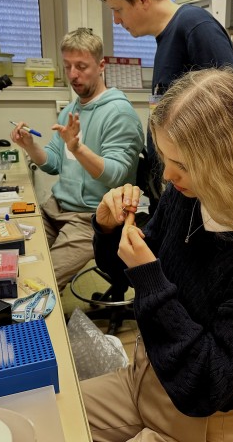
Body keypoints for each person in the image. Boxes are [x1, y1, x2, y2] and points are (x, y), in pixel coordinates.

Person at [80, 67, 233, 441]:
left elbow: (207, 382)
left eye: (183, 166)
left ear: (229, 161)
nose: (167, 176)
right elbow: (120, 270)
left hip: (200, 415)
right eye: (165, 158)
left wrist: (150, 278)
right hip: (147, 376)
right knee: (53, 417)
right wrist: (109, 230)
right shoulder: (184, 196)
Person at [10, 28, 144, 291]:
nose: (73, 75)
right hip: (56, 208)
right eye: (68, 66)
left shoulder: (119, 113)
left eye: (81, 66)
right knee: (13, 262)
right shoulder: (72, 110)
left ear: (101, 66)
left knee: (38, 285)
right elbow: (53, 163)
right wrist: (30, 145)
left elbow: (116, 175)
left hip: (90, 217)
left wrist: (78, 148)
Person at [96, 0, 233, 211]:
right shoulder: (166, 37)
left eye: (118, 10)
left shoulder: (195, 27)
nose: (116, 20)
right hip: (173, 186)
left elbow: (230, 113)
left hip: (198, 191)